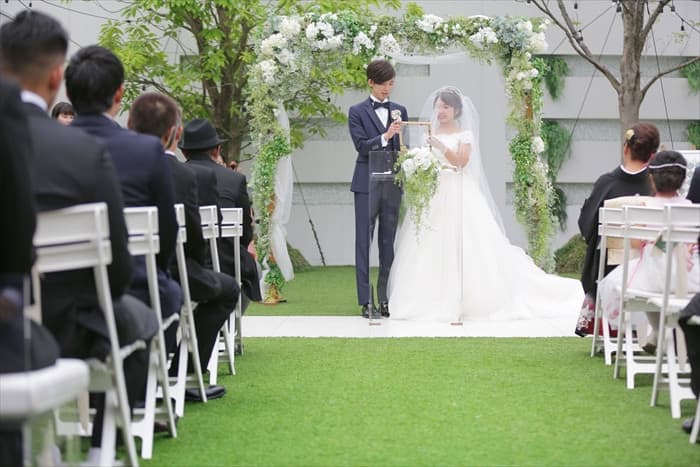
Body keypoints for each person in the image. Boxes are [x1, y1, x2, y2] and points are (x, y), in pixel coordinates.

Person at [0, 11, 157, 459]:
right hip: (70, 327)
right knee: (139, 319)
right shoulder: (84, 152)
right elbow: (118, 267)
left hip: (20, 321)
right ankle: (100, 448)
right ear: (56, 77)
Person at [388, 86, 583, 322]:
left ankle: (468, 298)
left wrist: (442, 147)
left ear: (456, 110)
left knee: (467, 241)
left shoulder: (464, 135)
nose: (441, 111)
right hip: (435, 191)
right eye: (438, 106)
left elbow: (461, 162)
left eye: (446, 107)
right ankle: (427, 297)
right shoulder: (429, 132)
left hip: (459, 189)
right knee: (429, 242)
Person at [65, 45, 182, 353]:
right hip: (131, 288)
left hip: (54, 296)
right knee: (169, 294)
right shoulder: (145, 150)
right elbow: (167, 230)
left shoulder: (40, 146)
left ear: (69, 91)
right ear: (119, 94)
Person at [128, 92, 236, 400]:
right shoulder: (183, 174)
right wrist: (197, 264)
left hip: (121, 268)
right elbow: (192, 233)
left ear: (131, 125)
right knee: (228, 289)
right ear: (174, 134)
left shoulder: (112, 163)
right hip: (172, 270)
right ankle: (182, 372)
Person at [598, 151, 699, 353]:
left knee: (637, 284)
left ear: (651, 178)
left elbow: (635, 243)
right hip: (688, 275)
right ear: (682, 180)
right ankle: (666, 333)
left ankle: (658, 330)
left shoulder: (646, 207)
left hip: (654, 274)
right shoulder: (691, 208)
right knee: (661, 287)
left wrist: (656, 242)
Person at [575, 123, 659, 336]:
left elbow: (587, 227)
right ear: (652, 154)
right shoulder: (658, 186)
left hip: (609, 269)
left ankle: (609, 327)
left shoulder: (607, 183)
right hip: (651, 268)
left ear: (626, 148)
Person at [348, 59, 408, 319]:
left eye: (391, 83)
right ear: (370, 82)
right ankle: (365, 300)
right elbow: (361, 146)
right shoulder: (357, 111)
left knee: (388, 242)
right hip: (366, 184)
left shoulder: (400, 110)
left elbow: (401, 146)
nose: (387, 88)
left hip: (391, 183)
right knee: (363, 242)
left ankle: (385, 298)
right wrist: (386, 136)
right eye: (383, 83)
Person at [179, 118, 262, 306]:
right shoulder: (235, 179)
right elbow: (245, 234)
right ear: (216, 150)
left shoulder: (176, 176)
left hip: (186, 262)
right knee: (252, 268)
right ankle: (231, 317)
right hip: (227, 262)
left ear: (184, 152)